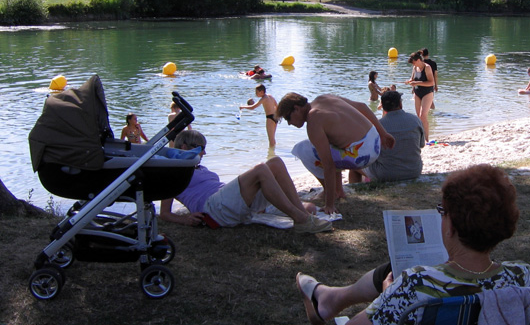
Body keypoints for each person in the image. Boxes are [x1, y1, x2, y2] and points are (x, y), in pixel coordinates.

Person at [295, 164, 530, 325]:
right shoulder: (522, 277)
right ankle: (329, 297)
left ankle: (328, 299)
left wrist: (386, 297)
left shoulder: (415, 286)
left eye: (442, 212)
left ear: (450, 225)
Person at [158, 130, 332, 233]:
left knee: (275, 163)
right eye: (201, 149)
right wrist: (185, 220)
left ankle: (301, 213)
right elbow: (164, 213)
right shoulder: (175, 173)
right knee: (261, 169)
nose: (204, 154)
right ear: (184, 148)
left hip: (229, 202)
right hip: (213, 209)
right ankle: (301, 219)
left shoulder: (199, 169)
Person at [277, 92, 395, 214]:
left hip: (361, 155)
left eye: (287, 118)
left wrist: (329, 205)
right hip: (375, 141)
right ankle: (338, 190)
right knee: (329, 142)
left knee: (302, 149)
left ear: (296, 109)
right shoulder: (324, 97)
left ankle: (332, 192)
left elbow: (328, 165)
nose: (289, 123)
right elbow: (362, 106)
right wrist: (383, 133)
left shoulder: (313, 120)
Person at [348, 90, 425, 184]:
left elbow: (371, 152)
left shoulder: (378, 126)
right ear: (400, 104)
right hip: (414, 171)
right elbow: (421, 144)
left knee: (353, 166)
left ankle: (356, 191)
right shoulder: (415, 120)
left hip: (386, 173)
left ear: (383, 107)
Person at [405, 51, 435, 140]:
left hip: (427, 93)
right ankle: (420, 138)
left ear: (418, 60)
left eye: (414, 62)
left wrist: (417, 82)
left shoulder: (427, 67)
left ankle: (426, 139)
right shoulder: (415, 67)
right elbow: (412, 78)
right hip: (417, 92)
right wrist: (409, 81)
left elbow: (431, 82)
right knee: (418, 117)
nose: (413, 65)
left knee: (423, 116)